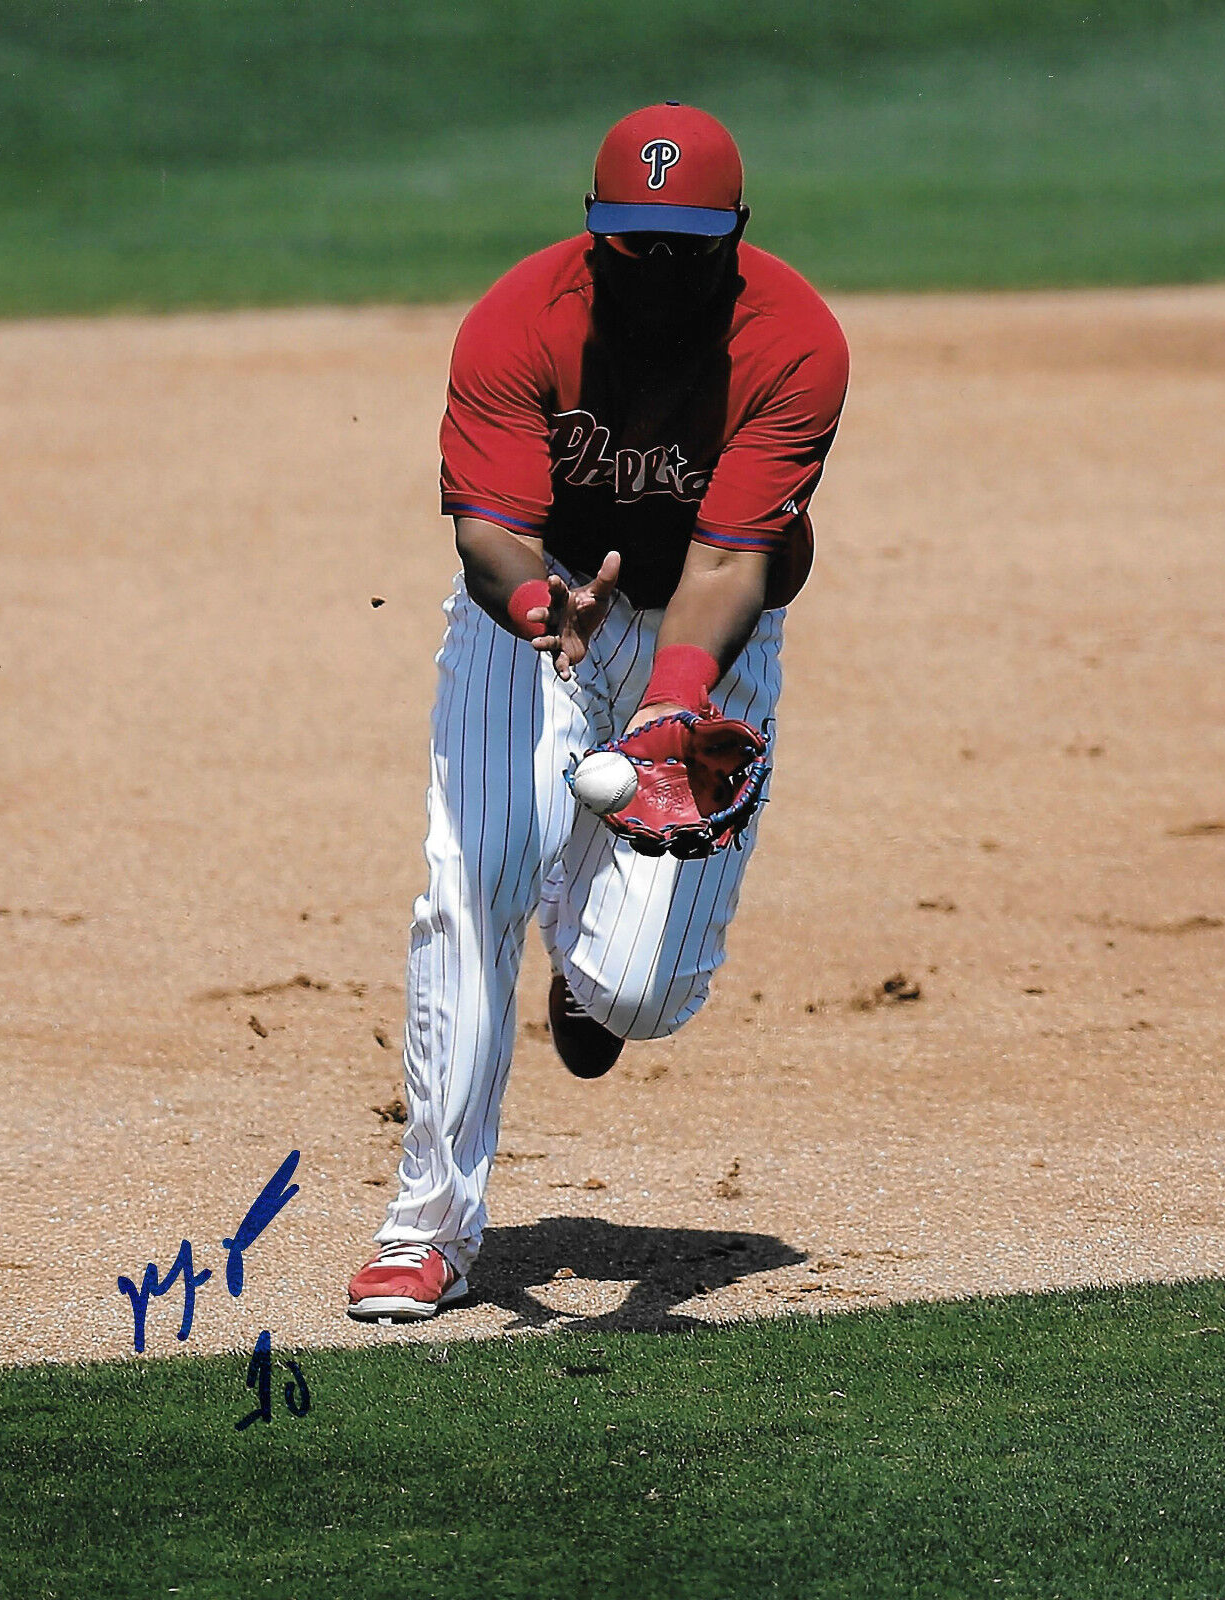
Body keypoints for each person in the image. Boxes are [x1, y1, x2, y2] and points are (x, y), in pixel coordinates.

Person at [346, 103, 849, 1323]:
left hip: (710, 631)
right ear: (592, 230)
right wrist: (532, 611)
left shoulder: (794, 341)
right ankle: (427, 1229)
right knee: (471, 880)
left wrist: (672, 708)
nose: (660, 268)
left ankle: (586, 961)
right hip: (540, 606)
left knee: (642, 995)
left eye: (687, 245)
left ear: (735, 231)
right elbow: (488, 528)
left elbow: (730, 562)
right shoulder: (517, 319)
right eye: (636, 244)